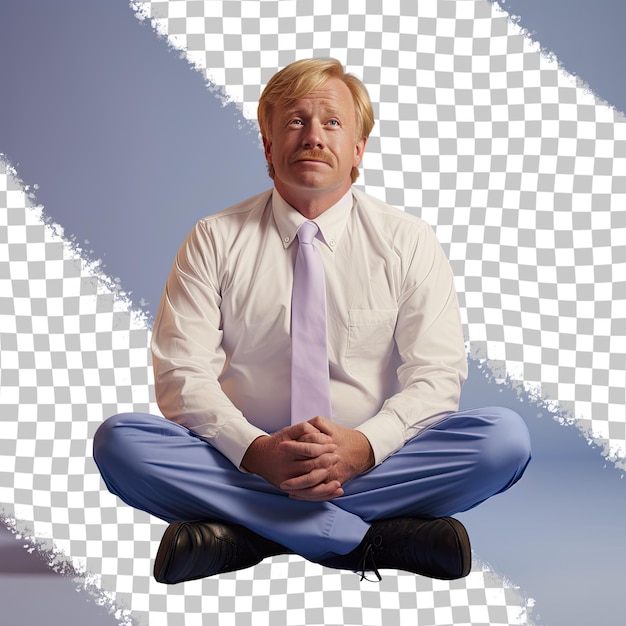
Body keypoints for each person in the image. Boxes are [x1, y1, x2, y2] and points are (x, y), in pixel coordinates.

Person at [93, 58, 531, 585]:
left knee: (503, 440)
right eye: (295, 122)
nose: (314, 138)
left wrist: (363, 447)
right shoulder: (214, 238)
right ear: (268, 147)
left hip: (374, 463)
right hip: (241, 460)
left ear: (358, 151)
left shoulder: (409, 241)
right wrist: (256, 452)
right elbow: (182, 376)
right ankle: (369, 541)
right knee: (121, 443)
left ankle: (246, 535)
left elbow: (435, 378)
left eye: (332, 122)